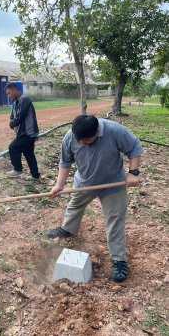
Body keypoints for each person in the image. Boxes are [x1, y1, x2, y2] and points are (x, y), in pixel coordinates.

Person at [47, 115, 143, 282]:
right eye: (80, 139)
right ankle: (68, 229)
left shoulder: (114, 131)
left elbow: (135, 147)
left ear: (97, 131)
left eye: (86, 139)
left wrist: (133, 172)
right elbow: (65, 162)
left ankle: (119, 260)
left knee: (115, 220)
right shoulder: (70, 136)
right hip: (84, 182)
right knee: (74, 206)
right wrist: (59, 185)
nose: (82, 142)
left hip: (113, 184)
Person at [5, 82, 40, 181]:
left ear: (15, 90)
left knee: (13, 147)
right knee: (28, 153)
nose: (8, 96)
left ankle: (18, 169)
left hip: (28, 132)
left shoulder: (24, 99)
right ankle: (35, 176)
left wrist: (12, 124)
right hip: (25, 132)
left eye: (9, 93)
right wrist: (13, 124)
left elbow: (20, 116)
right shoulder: (16, 102)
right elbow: (12, 117)